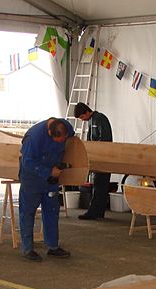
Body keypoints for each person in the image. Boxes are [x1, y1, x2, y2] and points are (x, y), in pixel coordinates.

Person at [19, 117, 74, 262]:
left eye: (64, 139)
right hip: (32, 179)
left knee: (52, 211)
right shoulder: (33, 138)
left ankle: (53, 247)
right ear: (50, 133)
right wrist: (48, 171)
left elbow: (72, 140)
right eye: (59, 141)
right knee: (28, 212)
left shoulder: (66, 127)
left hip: (51, 179)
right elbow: (27, 162)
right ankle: (28, 249)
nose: (62, 143)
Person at [74, 102, 113, 220]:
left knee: (101, 185)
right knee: (97, 185)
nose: (82, 120)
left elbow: (105, 139)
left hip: (104, 157)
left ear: (87, 112)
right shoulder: (91, 121)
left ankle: (94, 211)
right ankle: (97, 212)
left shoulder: (100, 119)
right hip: (96, 157)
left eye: (82, 117)